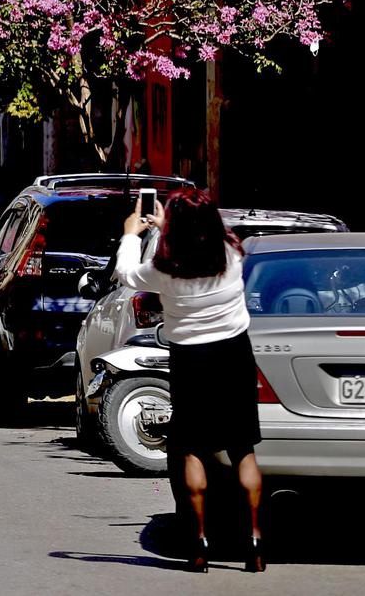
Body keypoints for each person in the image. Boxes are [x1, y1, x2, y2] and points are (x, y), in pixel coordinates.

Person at [116, 189, 265, 573]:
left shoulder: (164, 270)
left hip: (191, 360)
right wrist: (171, 224)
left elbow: (127, 275)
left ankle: (199, 541)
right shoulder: (231, 255)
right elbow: (209, 235)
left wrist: (132, 234)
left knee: (192, 449)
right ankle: (254, 540)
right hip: (234, 355)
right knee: (243, 449)